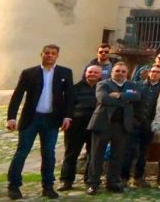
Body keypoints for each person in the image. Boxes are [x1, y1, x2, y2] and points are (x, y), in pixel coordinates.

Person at [85, 62, 140, 195]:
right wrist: (125, 102)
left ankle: (113, 182)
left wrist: (119, 95)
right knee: (96, 155)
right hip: (103, 123)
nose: (120, 73)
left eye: (123, 71)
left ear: (127, 73)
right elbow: (103, 99)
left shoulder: (132, 85)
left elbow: (137, 97)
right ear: (112, 72)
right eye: (117, 71)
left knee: (118, 155)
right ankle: (93, 183)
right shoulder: (103, 84)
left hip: (122, 125)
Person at [122, 63, 160, 188]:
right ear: (148, 72)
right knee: (128, 151)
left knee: (143, 152)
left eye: (158, 72)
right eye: (153, 71)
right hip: (135, 123)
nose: (154, 73)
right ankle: (124, 177)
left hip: (149, 125)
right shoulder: (136, 85)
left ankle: (138, 177)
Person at [58, 64, 100, 192]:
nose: (92, 74)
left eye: (95, 73)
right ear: (85, 73)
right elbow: (66, 106)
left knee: (92, 154)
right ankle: (66, 180)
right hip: (75, 126)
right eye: (90, 72)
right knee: (71, 154)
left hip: (95, 125)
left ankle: (90, 181)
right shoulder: (74, 88)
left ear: (100, 75)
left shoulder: (102, 88)